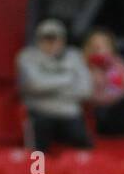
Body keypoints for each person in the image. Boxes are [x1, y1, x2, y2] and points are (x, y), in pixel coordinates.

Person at [17, 17, 92, 152]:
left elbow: (85, 90)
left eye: (56, 38)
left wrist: (49, 86)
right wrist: (68, 79)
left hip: (70, 113)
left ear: (63, 40)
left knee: (83, 142)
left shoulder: (74, 56)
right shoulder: (27, 56)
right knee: (37, 148)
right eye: (47, 38)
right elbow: (34, 85)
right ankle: (36, 172)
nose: (52, 43)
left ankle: (78, 171)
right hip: (39, 111)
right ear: (38, 39)